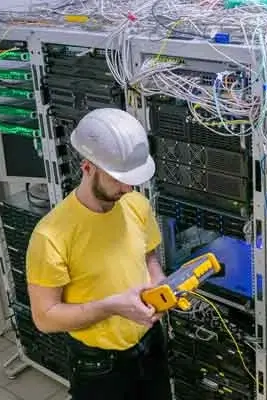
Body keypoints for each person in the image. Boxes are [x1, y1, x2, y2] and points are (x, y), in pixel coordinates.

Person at [25, 108, 172, 400]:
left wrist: (160, 286)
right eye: (117, 178)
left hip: (150, 344)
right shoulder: (50, 236)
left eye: (130, 179)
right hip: (99, 365)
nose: (127, 187)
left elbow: (149, 258)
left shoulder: (135, 205)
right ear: (87, 166)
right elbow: (45, 318)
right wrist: (112, 306)